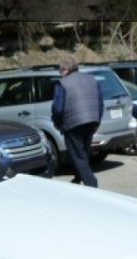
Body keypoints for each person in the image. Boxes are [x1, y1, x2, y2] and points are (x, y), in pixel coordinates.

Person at [51, 57, 103, 187]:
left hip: (73, 124)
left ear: (66, 69)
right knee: (84, 153)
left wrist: (58, 123)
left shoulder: (62, 84)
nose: (60, 74)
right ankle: (77, 179)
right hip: (91, 121)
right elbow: (100, 103)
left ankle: (92, 184)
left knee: (78, 156)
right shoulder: (92, 80)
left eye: (60, 71)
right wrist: (97, 122)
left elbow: (58, 108)